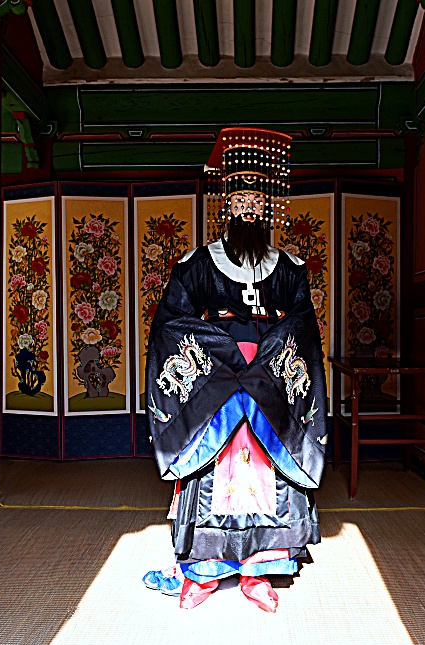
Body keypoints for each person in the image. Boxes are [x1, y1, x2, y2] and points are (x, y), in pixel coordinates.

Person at [142, 128, 327, 612]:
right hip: (217, 380)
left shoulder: (289, 266)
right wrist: (223, 351)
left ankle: (259, 571)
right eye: (239, 200)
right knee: (212, 470)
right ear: (225, 205)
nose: (248, 209)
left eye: (257, 202)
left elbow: (303, 325)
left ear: (268, 210)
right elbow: (171, 322)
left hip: (270, 382)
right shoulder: (199, 263)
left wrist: (268, 353)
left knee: (270, 470)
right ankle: (202, 573)